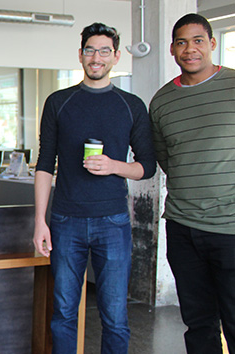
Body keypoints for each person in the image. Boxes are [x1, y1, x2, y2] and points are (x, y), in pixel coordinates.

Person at [32, 23, 156, 353]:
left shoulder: (131, 105)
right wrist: (40, 221)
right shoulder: (59, 102)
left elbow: (147, 166)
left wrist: (114, 166)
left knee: (115, 317)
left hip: (112, 222)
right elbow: (45, 164)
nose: (96, 57)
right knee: (63, 314)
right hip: (65, 220)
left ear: (116, 56)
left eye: (104, 51)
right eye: (90, 50)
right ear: (80, 54)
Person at [149, 13, 235, 354]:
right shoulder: (162, 101)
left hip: (230, 227)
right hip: (183, 228)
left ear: (212, 44)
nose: (190, 49)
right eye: (182, 42)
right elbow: (166, 158)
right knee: (198, 323)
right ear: (172, 49)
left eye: (198, 40)